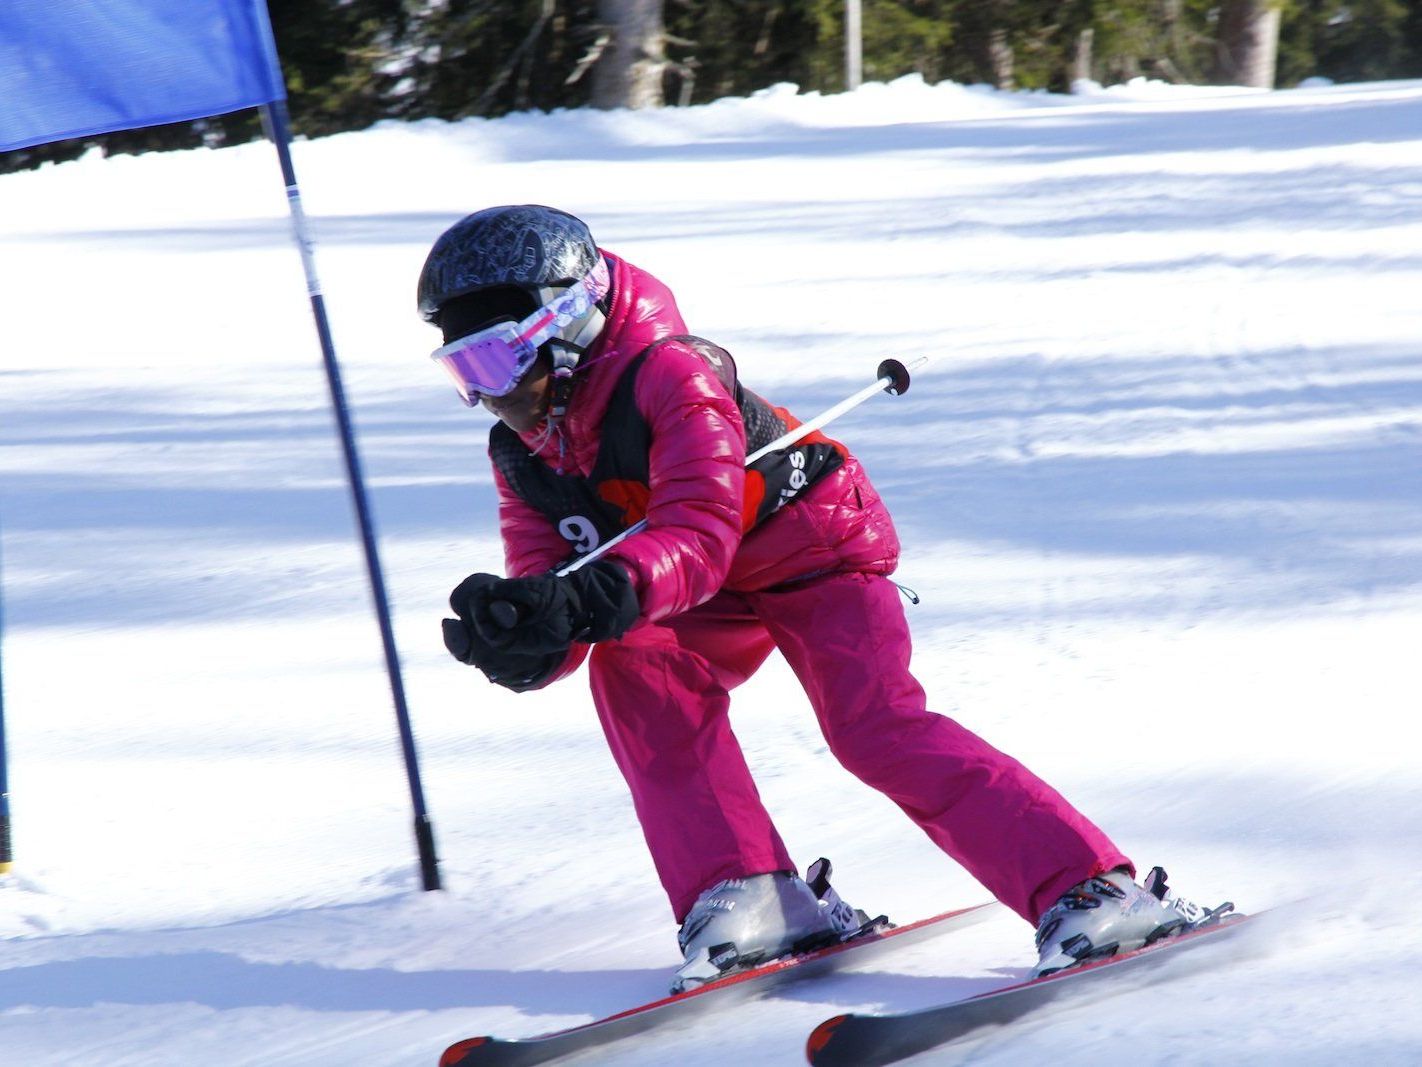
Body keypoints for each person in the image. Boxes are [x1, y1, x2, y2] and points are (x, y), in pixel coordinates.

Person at [421, 204, 1216, 991]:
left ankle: (1092, 888)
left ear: (568, 325)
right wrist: (527, 635)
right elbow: (559, 585)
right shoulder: (523, 451)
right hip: (706, 585)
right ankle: (749, 893)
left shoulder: (673, 374)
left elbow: (700, 535)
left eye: (495, 363)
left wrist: (593, 596)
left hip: (814, 550)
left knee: (873, 726)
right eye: (463, 372)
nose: (490, 396)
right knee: (632, 669)